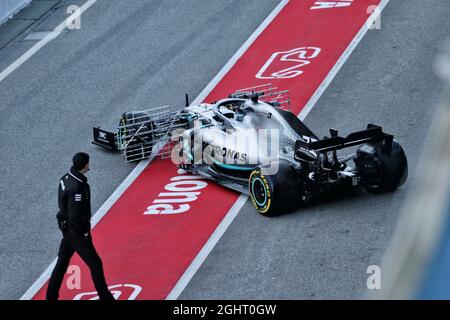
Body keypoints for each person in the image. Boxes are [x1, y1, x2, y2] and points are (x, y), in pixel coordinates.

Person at [46, 152, 114, 300]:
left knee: (62, 263)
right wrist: (83, 232)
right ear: (85, 165)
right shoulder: (77, 187)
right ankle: (106, 298)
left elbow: (63, 205)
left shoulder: (66, 178)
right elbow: (76, 213)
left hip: (66, 228)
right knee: (95, 264)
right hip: (75, 232)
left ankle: (50, 297)